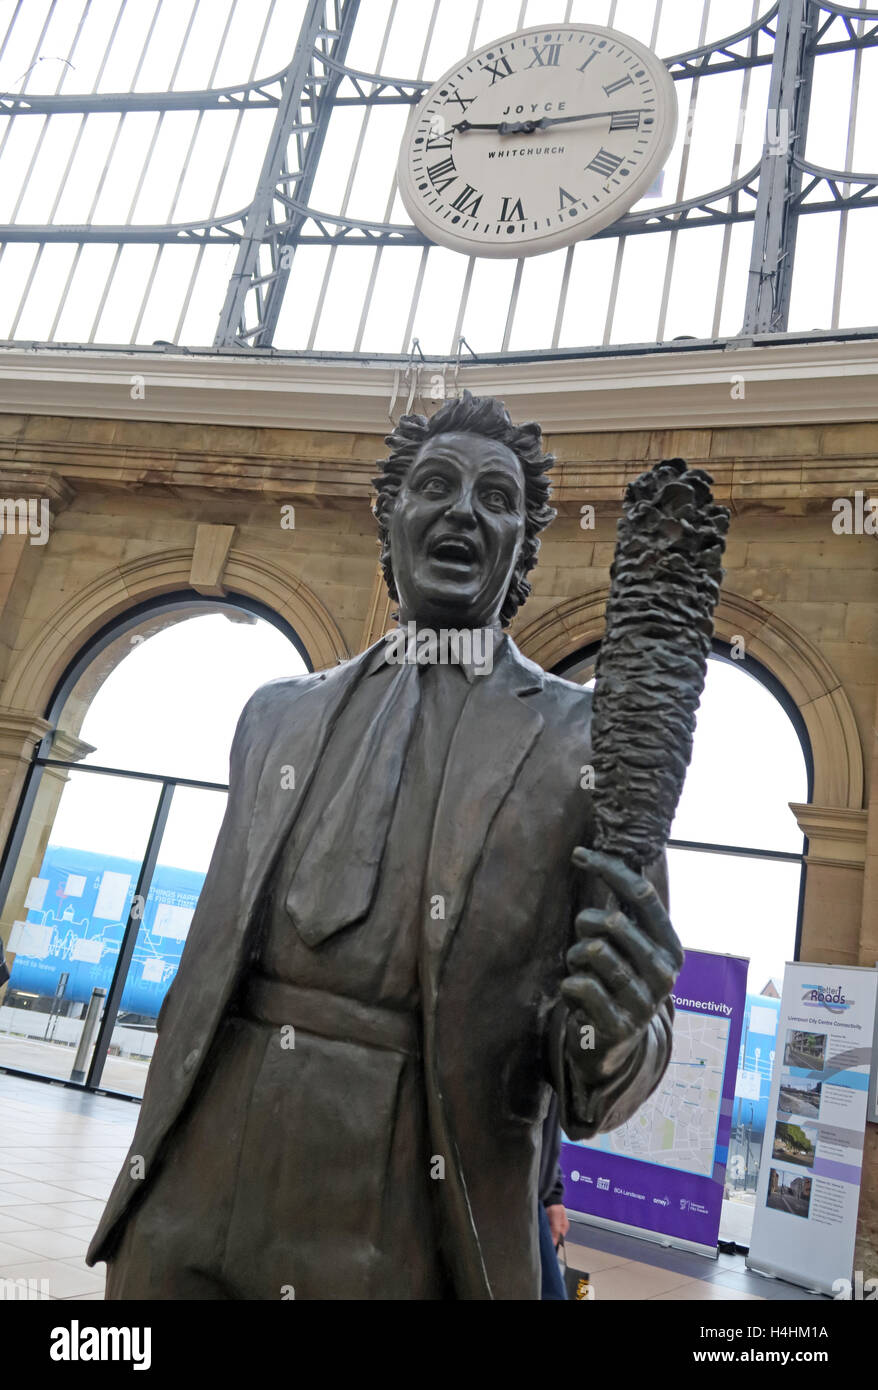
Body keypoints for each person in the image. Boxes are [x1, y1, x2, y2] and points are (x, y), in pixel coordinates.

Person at [88, 391, 681, 1300]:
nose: (461, 512)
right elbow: (210, 963)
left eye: (496, 499)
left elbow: (607, 1062)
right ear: (390, 516)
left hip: (411, 1205)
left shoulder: (585, 747)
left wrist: (616, 1034)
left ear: (524, 545)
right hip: (194, 1189)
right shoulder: (274, 718)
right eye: (435, 485)